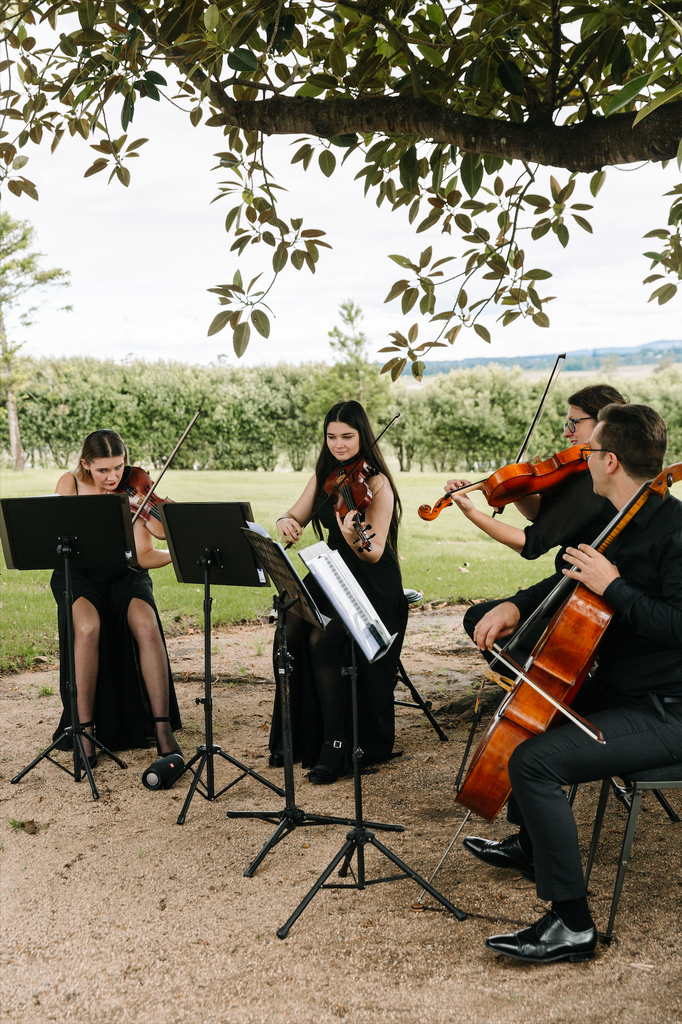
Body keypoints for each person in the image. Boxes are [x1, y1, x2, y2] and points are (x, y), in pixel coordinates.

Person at [460, 404, 682, 963]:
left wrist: (617, 589)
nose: (582, 459)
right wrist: (515, 605)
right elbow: (569, 572)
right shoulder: (619, 516)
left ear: (610, 460)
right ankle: (533, 846)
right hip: (624, 688)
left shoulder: (673, 529)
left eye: (589, 451)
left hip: (667, 709)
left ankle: (572, 923)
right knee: (540, 705)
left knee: (534, 761)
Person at [271, 401, 408, 783]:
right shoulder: (326, 475)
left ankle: (336, 743)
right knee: (291, 627)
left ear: (363, 435)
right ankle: (297, 735)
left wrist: (352, 537)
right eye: (331, 437)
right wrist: (286, 522)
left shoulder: (377, 483)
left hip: (370, 576)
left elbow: (374, 550)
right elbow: (293, 514)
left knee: (322, 636)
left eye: (347, 436)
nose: (339, 444)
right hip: (330, 567)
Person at [450, 384, 628, 655]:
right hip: (573, 581)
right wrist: (516, 487)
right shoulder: (589, 472)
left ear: (603, 423)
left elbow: (532, 543)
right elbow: (545, 515)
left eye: (573, 423)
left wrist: (472, 513)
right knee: (486, 618)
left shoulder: (597, 481)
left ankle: (541, 695)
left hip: (587, 593)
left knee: (479, 619)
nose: (567, 432)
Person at [51, 429, 182, 764]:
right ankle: (85, 730)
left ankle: (162, 728)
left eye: (120, 467)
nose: (114, 477)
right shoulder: (70, 484)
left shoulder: (133, 490)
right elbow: (59, 537)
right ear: (86, 464)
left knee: (146, 624)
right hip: (79, 575)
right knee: (87, 629)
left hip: (126, 574)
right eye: (103, 470)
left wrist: (177, 553)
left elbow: (142, 556)